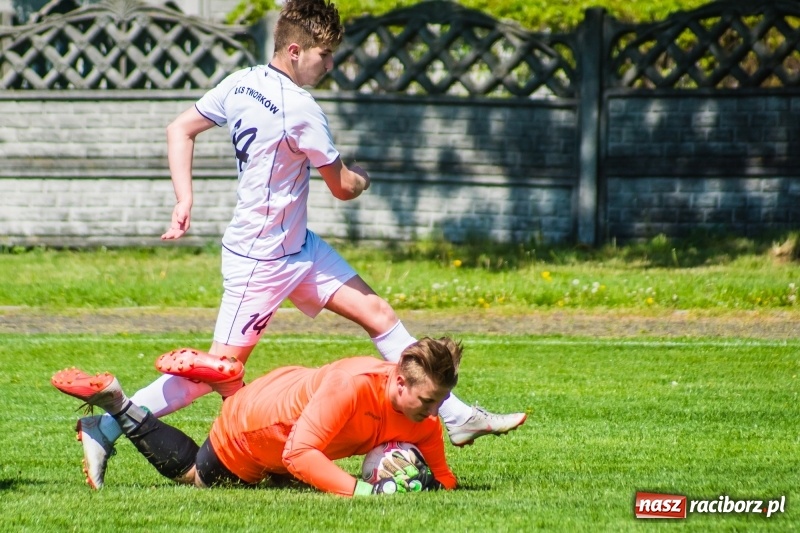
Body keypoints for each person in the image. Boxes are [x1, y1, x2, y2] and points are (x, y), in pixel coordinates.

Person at [72, 0, 525, 490]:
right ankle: (106, 426)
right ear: (294, 50)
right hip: (262, 259)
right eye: (324, 54)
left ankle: (455, 416)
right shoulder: (301, 107)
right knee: (215, 372)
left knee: (378, 313)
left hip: (299, 248)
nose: (330, 64)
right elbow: (342, 187)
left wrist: (184, 199)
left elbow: (179, 128)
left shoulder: (241, 82)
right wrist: (364, 176)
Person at [53, 338, 463, 497]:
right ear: (399, 382)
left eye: (440, 401)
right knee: (198, 476)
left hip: (283, 389)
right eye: (428, 400)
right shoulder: (350, 388)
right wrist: (365, 492)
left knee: (292, 481)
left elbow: (442, 472)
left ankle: (229, 383)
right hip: (251, 427)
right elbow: (298, 455)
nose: (434, 413)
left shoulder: (422, 418)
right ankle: (118, 404)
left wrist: (431, 484)